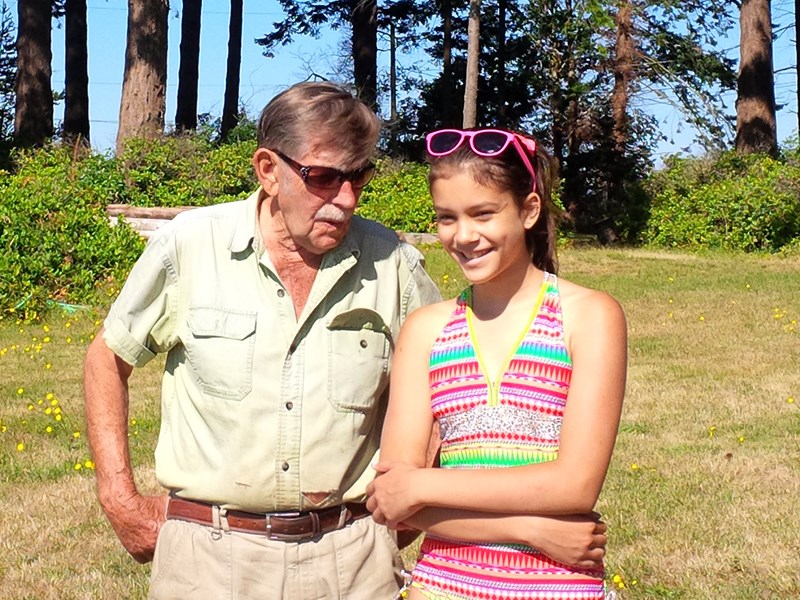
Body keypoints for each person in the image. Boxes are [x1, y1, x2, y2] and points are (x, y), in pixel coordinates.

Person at [84, 82, 609, 599]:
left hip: (352, 563)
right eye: (323, 177)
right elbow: (109, 357)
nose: (346, 198)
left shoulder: (392, 262)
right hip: (209, 560)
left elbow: (446, 387)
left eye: (358, 178)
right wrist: (119, 498)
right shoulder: (191, 245)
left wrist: (398, 517)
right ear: (268, 170)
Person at [366, 128, 627, 600]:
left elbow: (574, 485)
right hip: (441, 587)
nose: (463, 236)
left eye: (483, 214)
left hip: (556, 589)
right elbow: (394, 504)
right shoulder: (426, 329)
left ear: (528, 210)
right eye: (447, 218)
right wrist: (531, 528)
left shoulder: (589, 317)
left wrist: (424, 484)